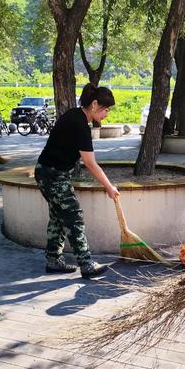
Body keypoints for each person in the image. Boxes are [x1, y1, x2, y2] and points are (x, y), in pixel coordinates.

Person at [34, 84, 119, 278]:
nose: (107, 113)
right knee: (74, 216)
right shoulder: (80, 124)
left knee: (58, 216)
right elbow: (90, 163)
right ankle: (86, 264)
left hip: (50, 173)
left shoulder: (76, 116)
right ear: (94, 104)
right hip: (52, 175)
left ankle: (54, 261)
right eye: (106, 109)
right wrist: (109, 187)